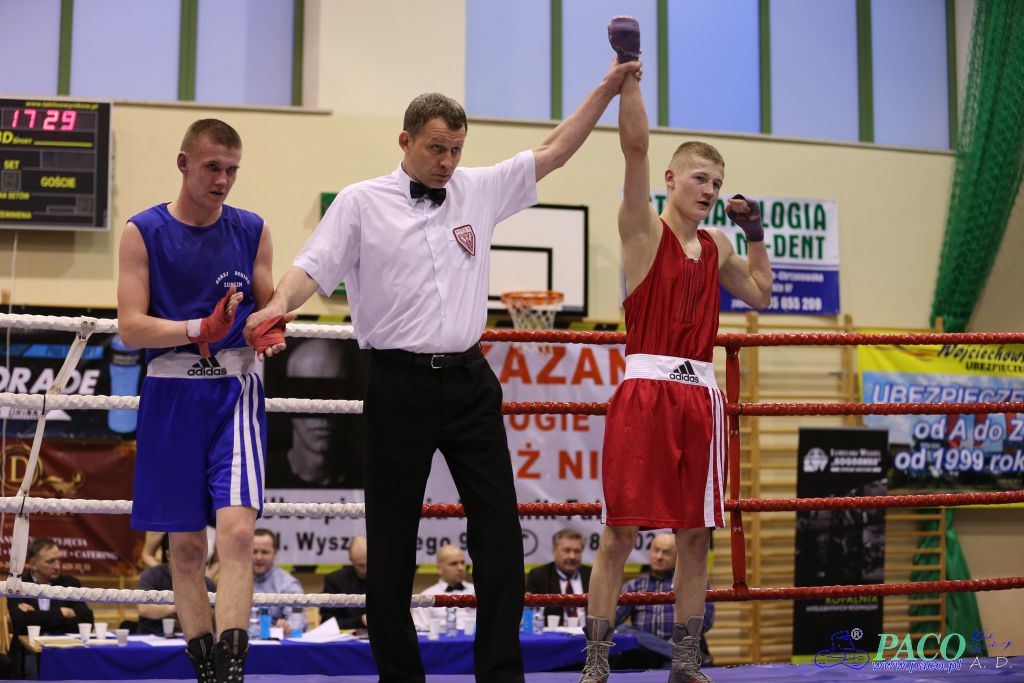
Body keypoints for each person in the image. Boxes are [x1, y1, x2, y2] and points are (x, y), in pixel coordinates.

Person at [245, 51, 642, 683]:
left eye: (456, 149)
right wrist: (275, 309)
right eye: (436, 148)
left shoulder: (477, 189)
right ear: (404, 141)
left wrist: (609, 84)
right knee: (392, 545)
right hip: (396, 384)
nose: (448, 161)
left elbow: (556, 150)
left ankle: (500, 676)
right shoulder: (359, 202)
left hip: (468, 381)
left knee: (501, 535)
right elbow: (310, 269)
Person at [580, 18, 772, 683]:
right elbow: (633, 148)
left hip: (701, 398)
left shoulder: (717, 246)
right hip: (645, 391)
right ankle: (596, 660)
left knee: (696, 535)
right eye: (699, 178)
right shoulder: (642, 229)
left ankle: (686, 662)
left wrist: (756, 234)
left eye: (716, 181)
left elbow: (761, 294)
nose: (710, 190)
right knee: (619, 533)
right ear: (672, 178)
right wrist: (629, 69)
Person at [117, 117, 283, 683]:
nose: (223, 180)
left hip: (234, 392)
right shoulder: (143, 231)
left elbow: (269, 308)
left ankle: (233, 671)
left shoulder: (252, 229)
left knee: (236, 534)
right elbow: (131, 328)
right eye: (213, 167)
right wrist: (198, 328)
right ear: (184, 162)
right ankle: (206, 671)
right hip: (171, 394)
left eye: (232, 170)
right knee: (186, 550)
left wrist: (272, 328)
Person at [265, 337, 366, 488]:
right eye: (309, 392)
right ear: (288, 396)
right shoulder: (260, 475)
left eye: (335, 393)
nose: (322, 410)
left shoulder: (371, 477)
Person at [611, 534, 714, 670]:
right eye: (656, 550)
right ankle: (672, 652)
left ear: (678, 556)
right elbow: (612, 620)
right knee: (623, 630)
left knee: (671, 663)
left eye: (666, 552)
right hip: (644, 653)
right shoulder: (634, 586)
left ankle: (670, 653)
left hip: (681, 645)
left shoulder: (691, 583)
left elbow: (706, 620)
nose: (659, 556)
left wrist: (679, 640)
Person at [9, 538, 94, 636]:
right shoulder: (18, 585)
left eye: (58, 560)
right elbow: (21, 624)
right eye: (50, 561)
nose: (57, 567)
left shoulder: (69, 584)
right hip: (26, 645)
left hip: (60, 644)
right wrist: (63, 613)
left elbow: (86, 622)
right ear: (33, 564)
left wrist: (36, 615)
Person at [137, 543, 217, 636]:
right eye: (182, 554)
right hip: (152, 635)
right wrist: (178, 606)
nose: (187, 561)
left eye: (191, 556)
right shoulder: (152, 575)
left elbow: (216, 620)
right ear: (168, 555)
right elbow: (143, 609)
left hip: (192, 637)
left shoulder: (206, 583)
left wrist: (202, 609)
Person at [525, 528, 592, 624]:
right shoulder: (539, 576)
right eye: (567, 550)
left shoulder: (592, 575)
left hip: (587, 631)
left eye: (577, 551)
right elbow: (530, 613)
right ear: (554, 550)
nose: (572, 556)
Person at [251, 529, 307, 634]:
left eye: (265, 552)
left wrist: (288, 627)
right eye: (254, 551)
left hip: (274, 641)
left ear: (275, 553)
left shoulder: (289, 584)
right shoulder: (235, 582)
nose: (258, 557)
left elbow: (297, 619)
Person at [411, 545, 475, 632]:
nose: (460, 568)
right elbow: (419, 631)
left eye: (462, 563)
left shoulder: (477, 592)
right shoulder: (426, 597)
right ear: (440, 569)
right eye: (453, 564)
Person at [319, 535, 368, 628]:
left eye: (368, 563)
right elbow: (327, 622)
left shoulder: (384, 580)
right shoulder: (335, 581)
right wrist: (360, 621)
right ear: (351, 559)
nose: (365, 570)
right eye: (360, 565)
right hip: (347, 635)